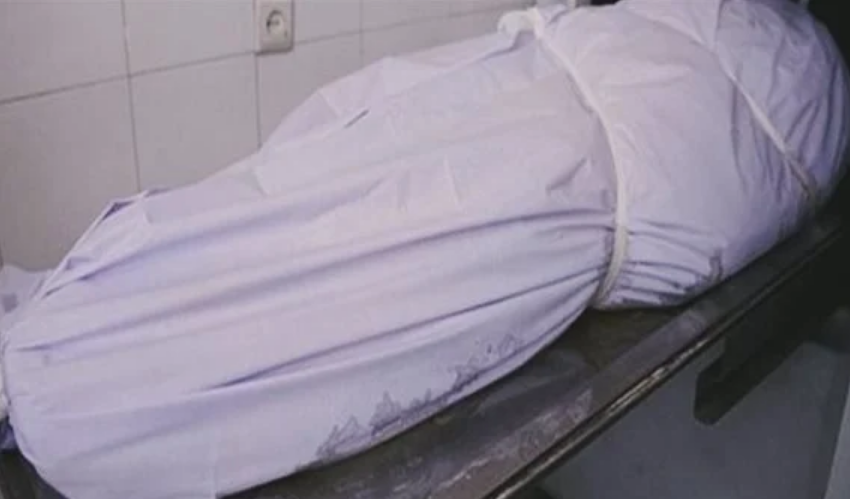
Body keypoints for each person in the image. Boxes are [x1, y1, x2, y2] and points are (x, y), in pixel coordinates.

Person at [1, 1, 847, 497]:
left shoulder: (800, 77)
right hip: (549, 87)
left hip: (596, 160)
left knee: (354, 252)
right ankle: (98, 336)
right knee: (315, 180)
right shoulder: (767, 51)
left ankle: (101, 342)